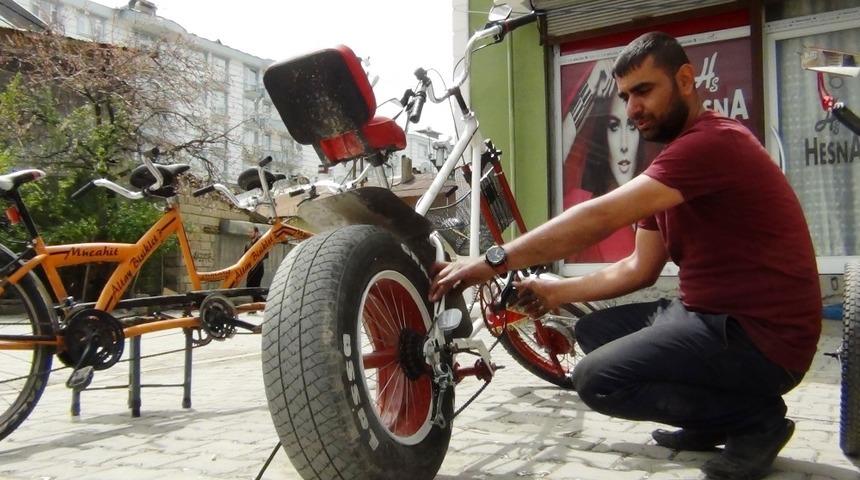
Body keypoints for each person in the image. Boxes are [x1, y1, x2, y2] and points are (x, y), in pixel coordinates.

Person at [430, 32, 821, 480]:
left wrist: (492, 261)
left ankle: (755, 422)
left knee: (596, 380)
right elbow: (640, 268)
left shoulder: (713, 143)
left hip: (763, 339)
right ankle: (709, 420)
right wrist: (556, 292)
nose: (633, 108)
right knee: (594, 331)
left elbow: (599, 217)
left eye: (644, 90)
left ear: (686, 80)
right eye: (625, 96)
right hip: (707, 318)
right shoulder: (670, 166)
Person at [565, 89, 647, 262]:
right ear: (602, 135)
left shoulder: (654, 206)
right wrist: (591, 86)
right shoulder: (579, 204)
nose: (624, 145)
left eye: (632, 126)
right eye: (614, 127)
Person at [245, 226, 267, 302]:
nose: (249, 234)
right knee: (249, 287)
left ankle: (259, 303)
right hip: (250, 269)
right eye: (249, 232)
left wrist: (256, 260)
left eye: (251, 232)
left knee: (255, 288)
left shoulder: (261, 243)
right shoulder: (248, 244)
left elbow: (266, 255)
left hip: (258, 268)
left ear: (256, 233)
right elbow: (244, 257)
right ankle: (260, 301)